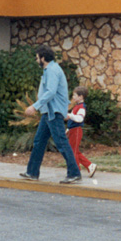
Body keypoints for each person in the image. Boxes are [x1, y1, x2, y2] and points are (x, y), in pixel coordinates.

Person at [20, 45, 82, 184]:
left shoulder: (52, 70)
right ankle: (32, 172)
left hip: (53, 112)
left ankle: (74, 173)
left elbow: (51, 91)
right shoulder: (50, 69)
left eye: (37, 58)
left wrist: (35, 106)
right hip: (49, 112)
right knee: (39, 142)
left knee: (61, 142)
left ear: (43, 58)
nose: (36, 60)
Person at [66, 86, 97, 177]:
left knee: (73, 152)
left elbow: (80, 119)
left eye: (74, 95)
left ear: (81, 96)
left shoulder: (81, 107)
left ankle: (76, 171)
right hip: (73, 130)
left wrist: (70, 116)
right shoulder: (77, 106)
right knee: (74, 150)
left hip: (76, 131)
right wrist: (68, 129)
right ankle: (89, 165)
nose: (73, 97)